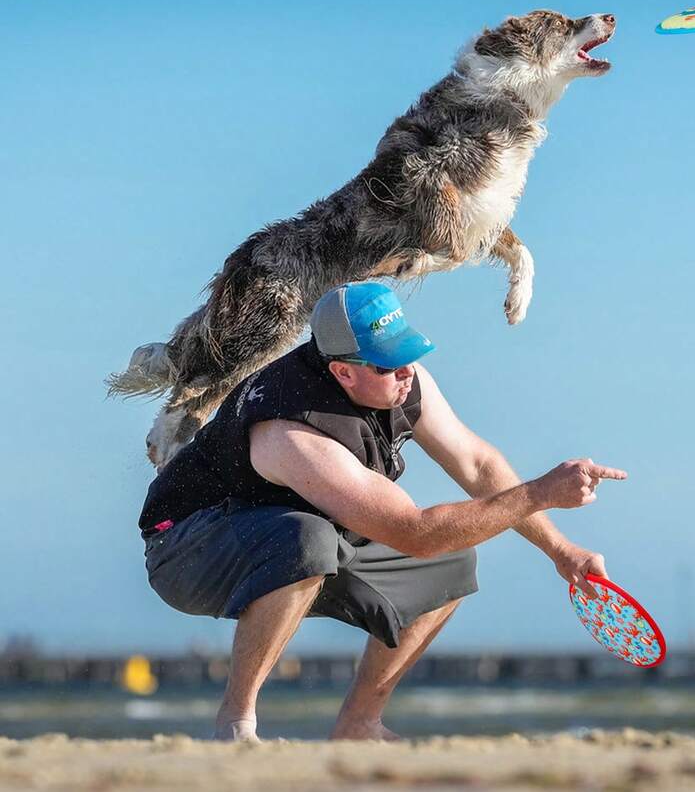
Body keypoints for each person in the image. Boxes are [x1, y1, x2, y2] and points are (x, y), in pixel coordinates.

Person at [139, 281, 627, 742]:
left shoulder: (403, 381)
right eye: (387, 364)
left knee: (450, 562)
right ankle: (235, 723)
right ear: (343, 371)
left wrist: (561, 550)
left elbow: (477, 465)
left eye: (408, 353)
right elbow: (414, 532)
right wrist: (540, 492)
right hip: (186, 548)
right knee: (308, 539)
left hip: (297, 530)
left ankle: (359, 725)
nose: (405, 371)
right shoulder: (290, 429)